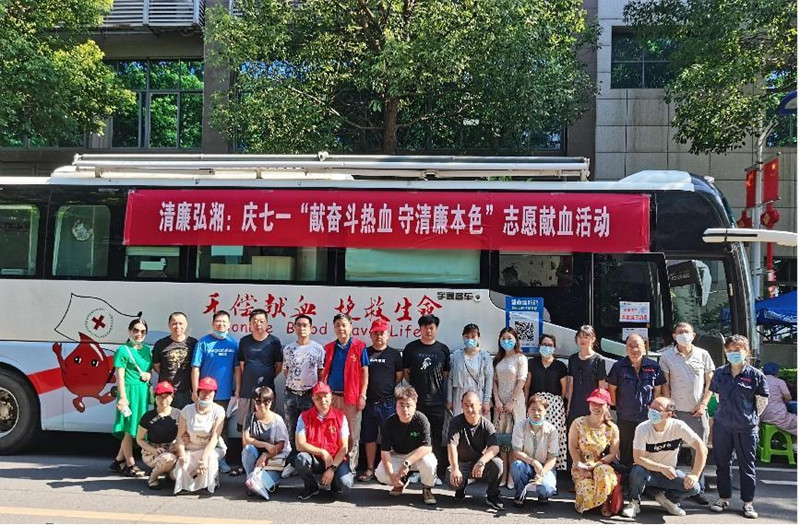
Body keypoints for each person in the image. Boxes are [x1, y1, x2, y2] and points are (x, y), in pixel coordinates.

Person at [709, 335, 769, 519]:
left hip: (746, 428)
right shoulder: (720, 373)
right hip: (723, 426)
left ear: (746, 351)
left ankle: (748, 503)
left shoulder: (756, 375)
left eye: (737, 350)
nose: (733, 354)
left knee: (747, 466)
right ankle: (723, 498)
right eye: (729, 350)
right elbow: (716, 397)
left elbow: (761, 402)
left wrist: (748, 417)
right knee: (722, 464)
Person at [621, 397, 707, 518]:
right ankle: (634, 502)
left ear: (669, 414)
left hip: (668, 474)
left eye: (658, 410)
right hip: (647, 472)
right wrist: (661, 468)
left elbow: (701, 448)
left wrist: (695, 475)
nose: (652, 412)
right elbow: (638, 458)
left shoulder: (678, 426)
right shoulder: (642, 428)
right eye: (651, 408)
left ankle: (669, 501)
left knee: (694, 487)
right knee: (637, 470)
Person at [660, 321, 715, 504]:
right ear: (674, 336)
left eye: (687, 331)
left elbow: (710, 383)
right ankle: (672, 489)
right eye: (679, 332)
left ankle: (697, 489)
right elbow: (665, 384)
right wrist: (670, 408)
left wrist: (703, 404)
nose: (683, 334)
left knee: (698, 450)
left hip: (697, 412)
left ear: (693, 335)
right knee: (670, 452)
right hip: (676, 412)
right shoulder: (666, 356)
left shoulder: (703, 354)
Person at [607, 333, 665, 471]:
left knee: (646, 452)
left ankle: (644, 480)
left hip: (647, 418)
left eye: (637, 346)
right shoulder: (618, 367)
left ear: (644, 347)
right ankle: (627, 480)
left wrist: (655, 411)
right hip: (626, 417)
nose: (634, 349)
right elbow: (612, 389)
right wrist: (619, 407)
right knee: (626, 452)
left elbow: (657, 391)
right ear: (626, 348)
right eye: (630, 346)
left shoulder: (654, 367)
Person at [191, 310, 240, 473]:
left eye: (224, 322)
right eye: (218, 321)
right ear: (213, 324)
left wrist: (238, 390)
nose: (221, 324)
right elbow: (195, 368)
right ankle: (202, 458)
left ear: (229, 325)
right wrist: (195, 390)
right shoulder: (203, 342)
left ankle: (220, 459)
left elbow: (237, 369)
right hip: (204, 394)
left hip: (224, 394)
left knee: (221, 427)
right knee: (203, 426)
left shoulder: (233, 343)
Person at [403, 314, 451, 480]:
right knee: (415, 436)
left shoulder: (443, 349)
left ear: (436, 329)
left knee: (435, 438)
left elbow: (445, 374)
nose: (428, 331)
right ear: (420, 329)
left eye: (431, 327)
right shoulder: (411, 348)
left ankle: (433, 472)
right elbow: (406, 372)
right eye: (425, 327)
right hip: (416, 402)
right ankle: (416, 471)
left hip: (437, 401)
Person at [321, 313, 369, 473]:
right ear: (334, 328)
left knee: (352, 435)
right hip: (332, 397)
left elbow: (365, 373)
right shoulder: (329, 348)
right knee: (332, 432)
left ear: (350, 327)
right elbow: (324, 372)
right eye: (338, 325)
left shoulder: (359, 346)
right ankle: (332, 466)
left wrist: (362, 395)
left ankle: (351, 468)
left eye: (344, 325)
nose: (341, 328)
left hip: (352, 398)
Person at [358, 319, 404, 483]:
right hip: (368, 403)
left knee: (389, 436)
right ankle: (370, 468)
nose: (379, 336)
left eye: (382, 333)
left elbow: (399, 376)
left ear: (388, 335)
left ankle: (388, 469)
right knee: (369, 436)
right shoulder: (365, 352)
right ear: (371, 335)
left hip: (388, 403)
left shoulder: (394, 354)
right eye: (375, 333)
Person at [375, 386, 437, 505]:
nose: (405, 409)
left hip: (417, 455)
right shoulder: (389, 422)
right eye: (401, 405)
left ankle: (427, 488)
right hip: (398, 454)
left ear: (415, 406)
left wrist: (407, 463)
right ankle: (400, 482)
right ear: (396, 406)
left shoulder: (421, 420)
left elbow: (427, 447)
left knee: (430, 464)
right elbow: (385, 452)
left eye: (408, 405)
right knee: (381, 473)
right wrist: (391, 476)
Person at [280, 314, 325, 479]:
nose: (302, 328)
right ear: (294, 328)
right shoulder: (288, 349)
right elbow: (286, 371)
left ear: (311, 328)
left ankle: (307, 462)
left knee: (310, 430)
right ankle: (293, 462)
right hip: (291, 394)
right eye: (298, 325)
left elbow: (321, 372)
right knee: (292, 428)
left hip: (310, 395)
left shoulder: (318, 349)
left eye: (305, 325)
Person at [293, 381, 354, 500]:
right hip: (315, 459)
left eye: (325, 396)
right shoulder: (304, 417)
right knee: (301, 459)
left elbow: (344, 448)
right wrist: (322, 452)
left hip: (335, 460)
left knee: (346, 484)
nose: (323, 400)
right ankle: (311, 487)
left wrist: (332, 469)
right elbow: (299, 445)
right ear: (313, 399)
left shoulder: (341, 417)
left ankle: (335, 484)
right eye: (318, 398)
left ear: (331, 396)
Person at [446, 391, 504, 511]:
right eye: (466, 405)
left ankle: (492, 496)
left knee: (498, 464)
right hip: (462, 463)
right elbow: (452, 446)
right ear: (461, 405)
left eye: (472, 405)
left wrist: (481, 462)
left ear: (479, 405)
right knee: (450, 475)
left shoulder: (487, 425)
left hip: (479, 465)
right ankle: (460, 488)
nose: (469, 409)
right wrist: (455, 468)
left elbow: (495, 447)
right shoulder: (455, 422)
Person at [110, 318, 152, 478]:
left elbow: (148, 370)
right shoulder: (122, 350)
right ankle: (130, 464)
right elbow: (120, 376)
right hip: (128, 392)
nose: (139, 334)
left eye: (142, 331)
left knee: (136, 427)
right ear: (129, 331)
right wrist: (122, 397)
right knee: (128, 428)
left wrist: (148, 375)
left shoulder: (147, 350)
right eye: (136, 330)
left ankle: (118, 461)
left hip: (142, 392)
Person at [568, 387, 620, 516]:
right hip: (581, 465)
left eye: (600, 404)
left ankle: (605, 503)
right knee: (588, 493)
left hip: (600, 464)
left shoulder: (612, 428)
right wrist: (582, 468)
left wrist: (596, 465)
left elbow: (613, 453)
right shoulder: (578, 423)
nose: (596, 407)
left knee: (605, 474)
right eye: (593, 403)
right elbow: (572, 447)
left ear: (607, 406)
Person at [173, 376, 226, 494]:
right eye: (203, 391)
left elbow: (215, 438)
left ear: (214, 393)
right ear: (198, 392)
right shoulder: (187, 410)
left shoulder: (219, 411)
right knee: (179, 470)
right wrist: (182, 454)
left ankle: (212, 480)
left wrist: (204, 458)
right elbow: (180, 437)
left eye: (210, 391)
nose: (206, 394)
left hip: (210, 448)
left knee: (210, 459)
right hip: (191, 447)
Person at [524, 333, 568, 471]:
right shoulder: (532, 363)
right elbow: (527, 386)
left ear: (554, 348)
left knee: (552, 436)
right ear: (539, 346)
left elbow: (564, 389)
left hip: (554, 405)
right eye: (544, 344)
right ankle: (534, 466)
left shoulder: (560, 366)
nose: (547, 347)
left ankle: (551, 468)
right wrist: (526, 403)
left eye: (550, 345)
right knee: (535, 435)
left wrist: (556, 402)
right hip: (535, 404)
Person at [492, 327, 527, 489]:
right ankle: (504, 474)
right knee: (502, 441)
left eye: (509, 338)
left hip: (515, 405)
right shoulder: (498, 360)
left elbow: (522, 381)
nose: (506, 341)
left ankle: (512, 476)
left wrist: (512, 401)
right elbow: (494, 382)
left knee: (514, 441)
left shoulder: (521, 358)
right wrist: (497, 400)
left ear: (515, 340)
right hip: (500, 405)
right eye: (503, 338)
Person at [237, 309, 283, 433]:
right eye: (255, 321)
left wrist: (269, 375)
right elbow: (241, 365)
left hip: (267, 390)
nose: (258, 324)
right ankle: (246, 445)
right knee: (245, 426)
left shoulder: (274, 342)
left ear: (267, 323)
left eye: (262, 321)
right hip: (247, 390)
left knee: (266, 426)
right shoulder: (244, 341)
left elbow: (279, 365)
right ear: (250, 324)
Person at [510, 395, 559, 507]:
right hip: (526, 465)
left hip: (544, 467)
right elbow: (517, 452)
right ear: (527, 410)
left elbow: (552, 458)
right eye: (533, 409)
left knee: (547, 488)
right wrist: (533, 462)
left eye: (540, 410)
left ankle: (543, 495)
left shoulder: (552, 430)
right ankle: (520, 493)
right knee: (517, 466)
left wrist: (542, 473)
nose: (536, 413)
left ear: (545, 412)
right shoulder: (520, 426)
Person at [241, 386, 290, 494]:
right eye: (258, 402)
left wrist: (265, 455)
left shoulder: (277, 420)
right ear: (254, 402)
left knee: (264, 484)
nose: (262, 405)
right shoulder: (249, 418)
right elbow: (246, 440)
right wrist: (265, 445)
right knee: (248, 449)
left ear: (271, 402)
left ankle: (261, 482)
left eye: (266, 402)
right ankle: (250, 479)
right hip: (254, 459)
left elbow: (281, 445)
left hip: (272, 460)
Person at [136, 381, 181, 490]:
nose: (163, 400)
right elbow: (140, 439)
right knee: (168, 459)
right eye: (160, 396)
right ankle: (153, 478)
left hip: (175, 449)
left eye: (167, 396)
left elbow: (184, 434)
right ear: (155, 397)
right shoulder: (148, 416)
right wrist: (153, 450)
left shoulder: (179, 414)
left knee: (178, 473)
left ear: (172, 397)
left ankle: (169, 475)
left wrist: (178, 445)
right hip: (154, 452)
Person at [152, 312, 197, 409]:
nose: (178, 326)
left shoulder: (194, 343)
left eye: (181, 323)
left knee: (183, 417)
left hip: (185, 392)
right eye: (174, 323)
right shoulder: (160, 344)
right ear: (169, 325)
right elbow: (156, 366)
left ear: (186, 325)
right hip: (164, 392)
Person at [566, 325, 608, 428]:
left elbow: (601, 387)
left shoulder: (599, 360)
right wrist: (569, 406)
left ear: (593, 339)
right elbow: (571, 384)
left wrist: (603, 407)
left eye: (586, 337)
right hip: (576, 403)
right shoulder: (572, 359)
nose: (582, 340)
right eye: (580, 337)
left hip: (592, 403)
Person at [448, 323, 493, 417]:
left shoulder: (485, 356)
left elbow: (489, 379)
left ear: (478, 337)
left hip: (478, 395)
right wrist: (449, 400)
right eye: (467, 337)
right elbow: (450, 379)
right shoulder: (456, 355)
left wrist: (486, 401)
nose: (470, 339)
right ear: (463, 337)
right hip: (460, 396)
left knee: (478, 422)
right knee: (460, 422)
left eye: (473, 337)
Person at [761, 362, 796, 436]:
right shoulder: (779, 382)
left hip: (761, 417)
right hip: (777, 416)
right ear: (777, 372)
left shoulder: (759, 381)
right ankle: (793, 441)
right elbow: (788, 398)